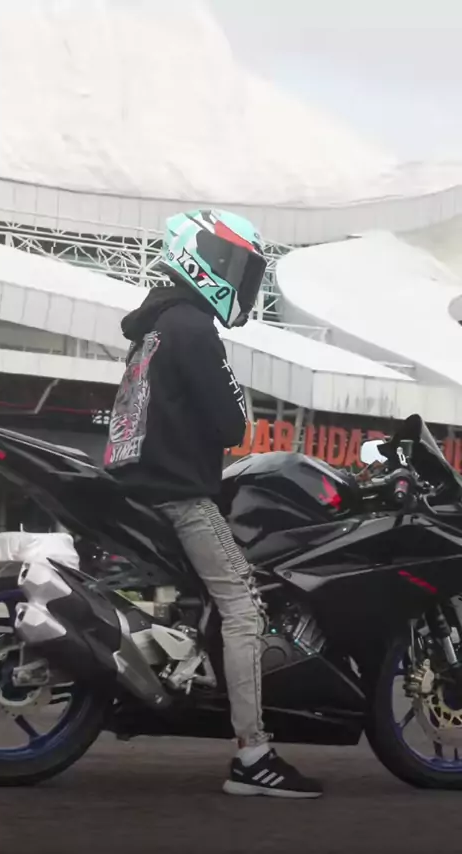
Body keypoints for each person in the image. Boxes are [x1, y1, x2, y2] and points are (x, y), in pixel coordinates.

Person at [104, 208, 323, 799]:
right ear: (206, 259)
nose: (243, 280)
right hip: (179, 495)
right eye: (239, 267)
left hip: (139, 486)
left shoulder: (154, 327)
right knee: (245, 608)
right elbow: (232, 424)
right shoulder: (195, 327)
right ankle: (253, 756)